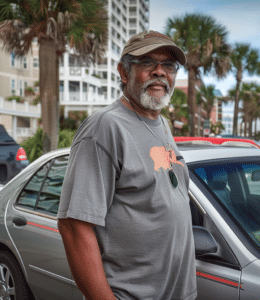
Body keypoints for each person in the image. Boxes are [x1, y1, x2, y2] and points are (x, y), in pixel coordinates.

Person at [57, 30, 197, 300]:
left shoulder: (162, 123)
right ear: (124, 72)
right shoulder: (105, 127)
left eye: (168, 65)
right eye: (147, 62)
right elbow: (74, 227)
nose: (160, 72)